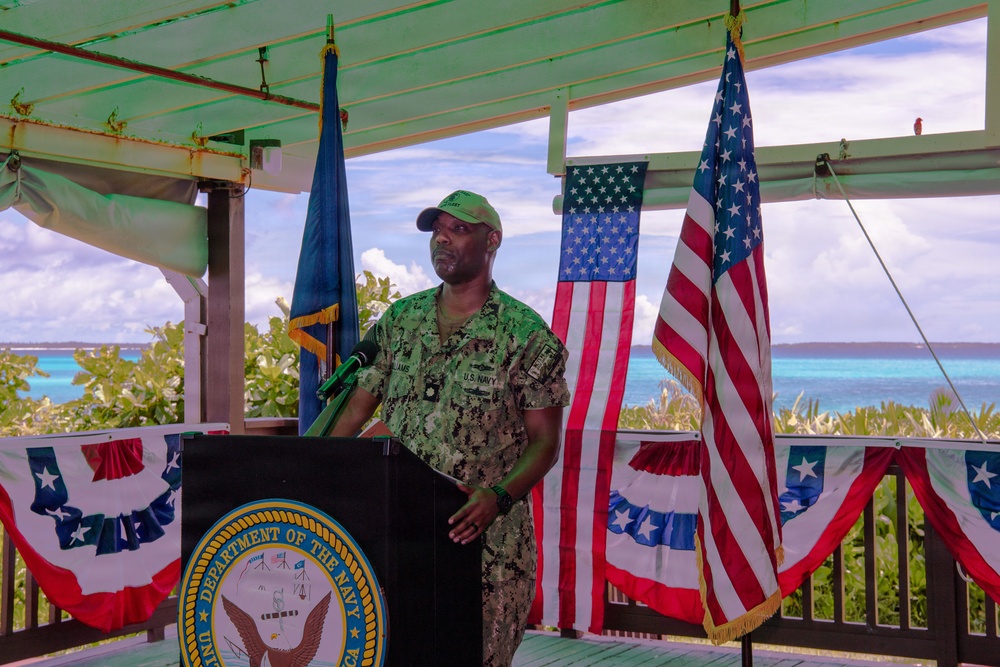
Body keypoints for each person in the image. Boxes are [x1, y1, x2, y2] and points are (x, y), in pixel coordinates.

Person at [327, 190, 570, 666]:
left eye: (458, 229)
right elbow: (356, 408)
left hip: (483, 546)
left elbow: (545, 442)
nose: (442, 239)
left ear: (492, 240)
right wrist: (315, 475)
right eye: (437, 230)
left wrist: (498, 497)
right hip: (398, 538)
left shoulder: (525, 334)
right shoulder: (401, 319)